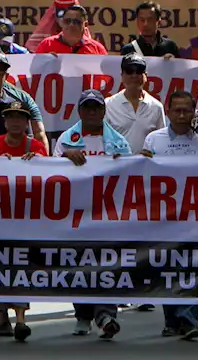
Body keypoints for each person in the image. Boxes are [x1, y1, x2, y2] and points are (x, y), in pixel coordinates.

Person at [141, 90, 198, 338]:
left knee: (193, 267)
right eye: (177, 110)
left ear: (195, 112)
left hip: (196, 215)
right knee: (167, 268)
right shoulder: (153, 139)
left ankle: (189, 319)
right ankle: (172, 321)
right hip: (163, 216)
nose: (182, 115)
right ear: (168, 111)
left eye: (187, 110)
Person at [59, 89, 131, 338]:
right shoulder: (66, 140)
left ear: (103, 111)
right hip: (76, 214)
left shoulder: (119, 141)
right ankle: (83, 315)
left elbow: (129, 176)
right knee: (78, 266)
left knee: (106, 264)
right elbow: (50, 172)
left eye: (96, 108)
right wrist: (64, 156)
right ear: (79, 111)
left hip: (107, 215)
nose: (92, 112)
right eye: (87, 108)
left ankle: (107, 313)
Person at [105, 54, 166, 153]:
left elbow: (161, 140)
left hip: (146, 166)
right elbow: (101, 139)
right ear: (122, 76)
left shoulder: (157, 107)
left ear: (145, 76)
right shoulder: (108, 104)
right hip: (116, 166)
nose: (134, 75)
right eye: (129, 71)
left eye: (138, 71)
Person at [35, 4, 107, 54]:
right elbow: (33, 71)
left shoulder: (97, 49)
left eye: (76, 22)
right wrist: (44, 61)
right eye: (67, 21)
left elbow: (108, 75)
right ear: (62, 23)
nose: (71, 25)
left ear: (85, 25)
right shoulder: (47, 45)